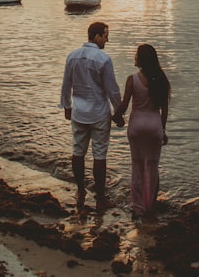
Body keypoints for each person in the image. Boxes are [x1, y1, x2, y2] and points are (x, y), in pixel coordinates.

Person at [59, 21, 124, 212]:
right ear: (96, 37)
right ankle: (100, 198)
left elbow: (66, 84)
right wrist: (118, 112)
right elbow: (112, 90)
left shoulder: (72, 56)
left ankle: (80, 191)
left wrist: (66, 106)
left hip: (79, 111)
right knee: (99, 154)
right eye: (105, 35)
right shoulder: (103, 59)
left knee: (78, 151)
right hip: (98, 113)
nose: (107, 39)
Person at [114, 43, 170, 219]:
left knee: (137, 166)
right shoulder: (161, 79)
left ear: (140, 59)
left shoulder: (132, 79)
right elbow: (165, 109)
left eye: (136, 55)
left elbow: (124, 105)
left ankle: (137, 207)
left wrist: (115, 116)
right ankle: (149, 206)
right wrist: (163, 129)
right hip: (154, 127)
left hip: (136, 127)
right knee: (152, 167)